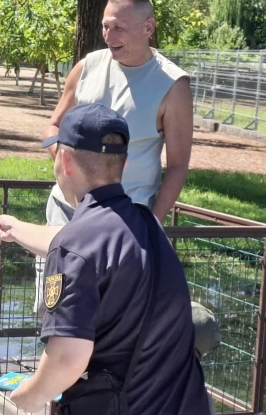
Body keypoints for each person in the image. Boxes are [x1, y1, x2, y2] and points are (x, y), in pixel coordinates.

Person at [0, 103, 209, 414]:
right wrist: (17, 228)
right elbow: (88, 249)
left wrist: (31, 395)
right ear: (124, 163)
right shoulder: (146, 223)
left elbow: (67, 358)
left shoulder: (76, 245)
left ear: (64, 160)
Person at [35, 0, 193, 310]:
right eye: (105, 26)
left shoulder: (173, 85)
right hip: (64, 214)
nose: (108, 35)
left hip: (124, 225)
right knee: (52, 313)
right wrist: (64, 160)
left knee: (108, 321)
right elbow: (54, 125)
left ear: (148, 28)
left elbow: (177, 166)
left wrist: (152, 225)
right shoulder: (87, 67)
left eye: (118, 27)